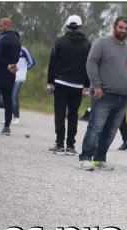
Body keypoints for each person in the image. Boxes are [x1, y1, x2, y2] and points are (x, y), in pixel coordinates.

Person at [78, 16, 127, 171]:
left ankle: (99, 159)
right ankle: (85, 158)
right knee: (96, 127)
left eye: (126, 28)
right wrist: (96, 85)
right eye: (121, 27)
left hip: (122, 98)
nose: (123, 31)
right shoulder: (102, 43)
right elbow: (91, 63)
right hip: (103, 94)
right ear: (114, 27)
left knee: (110, 131)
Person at [47, 15, 92, 155]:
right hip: (78, 86)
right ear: (80, 27)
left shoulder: (59, 42)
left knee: (60, 114)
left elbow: (52, 63)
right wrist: (87, 85)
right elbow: (89, 67)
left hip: (60, 83)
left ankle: (59, 143)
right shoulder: (88, 44)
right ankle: (71, 145)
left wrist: (50, 81)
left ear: (67, 26)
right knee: (73, 115)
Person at [0, 45, 36, 125]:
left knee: (14, 96)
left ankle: (16, 117)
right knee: (7, 96)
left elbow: (32, 62)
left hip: (20, 77)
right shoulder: (9, 50)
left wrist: (24, 70)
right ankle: (8, 117)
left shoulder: (23, 50)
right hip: (11, 76)